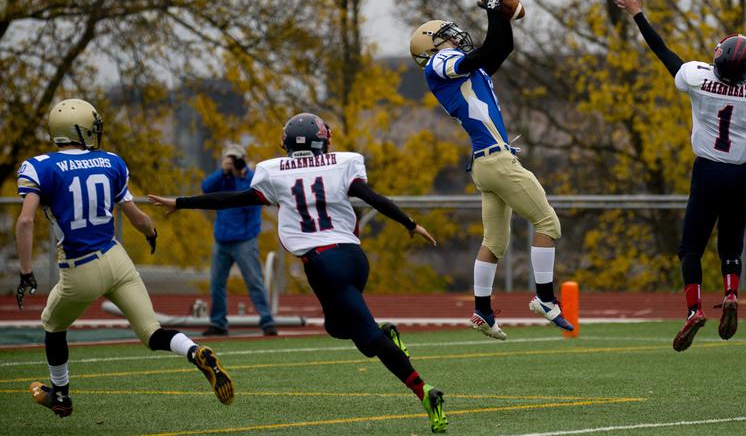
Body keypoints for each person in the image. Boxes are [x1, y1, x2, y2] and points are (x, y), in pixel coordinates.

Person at [149, 113, 447, 433]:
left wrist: (182, 202)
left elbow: (231, 200)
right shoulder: (342, 163)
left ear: (286, 143)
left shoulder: (273, 172)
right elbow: (372, 197)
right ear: (324, 140)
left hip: (323, 264)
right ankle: (386, 337)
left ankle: (425, 392)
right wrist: (410, 224)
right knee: (342, 328)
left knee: (365, 332)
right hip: (353, 258)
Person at [15, 99, 233, 418]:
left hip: (80, 267)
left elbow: (24, 221)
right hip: (118, 260)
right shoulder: (110, 161)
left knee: (52, 325)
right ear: (82, 129)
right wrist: (151, 233)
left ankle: (60, 395)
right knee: (151, 332)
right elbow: (137, 217)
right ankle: (195, 351)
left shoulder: (38, 166)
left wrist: (25, 272)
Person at [613, 0, 746, 351]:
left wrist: (637, 14)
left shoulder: (697, 77)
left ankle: (693, 310)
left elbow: (663, 52)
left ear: (718, 58)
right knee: (730, 244)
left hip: (707, 170)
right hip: (741, 174)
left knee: (691, 247)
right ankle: (731, 293)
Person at [409, 0, 573, 340]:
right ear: (433, 45)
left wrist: (495, 11)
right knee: (548, 223)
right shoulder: (439, 64)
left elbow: (500, 49)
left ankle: (482, 310)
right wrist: (494, 8)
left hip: (486, 163)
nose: (455, 38)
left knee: (494, 243)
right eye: (447, 36)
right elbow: (483, 52)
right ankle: (545, 299)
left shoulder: (464, 71)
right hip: (496, 160)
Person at [200, 143, 276, 336]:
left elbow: (250, 197)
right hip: (222, 239)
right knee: (217, 283)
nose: (232, 163)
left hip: (245, 240)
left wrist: (242, 173)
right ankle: (218, 323)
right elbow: (206, 188)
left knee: (254, 281)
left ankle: (267, 321)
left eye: (235, 159)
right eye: (229, 159)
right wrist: (222, 172)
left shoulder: (250, 178)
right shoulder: (222, 179)